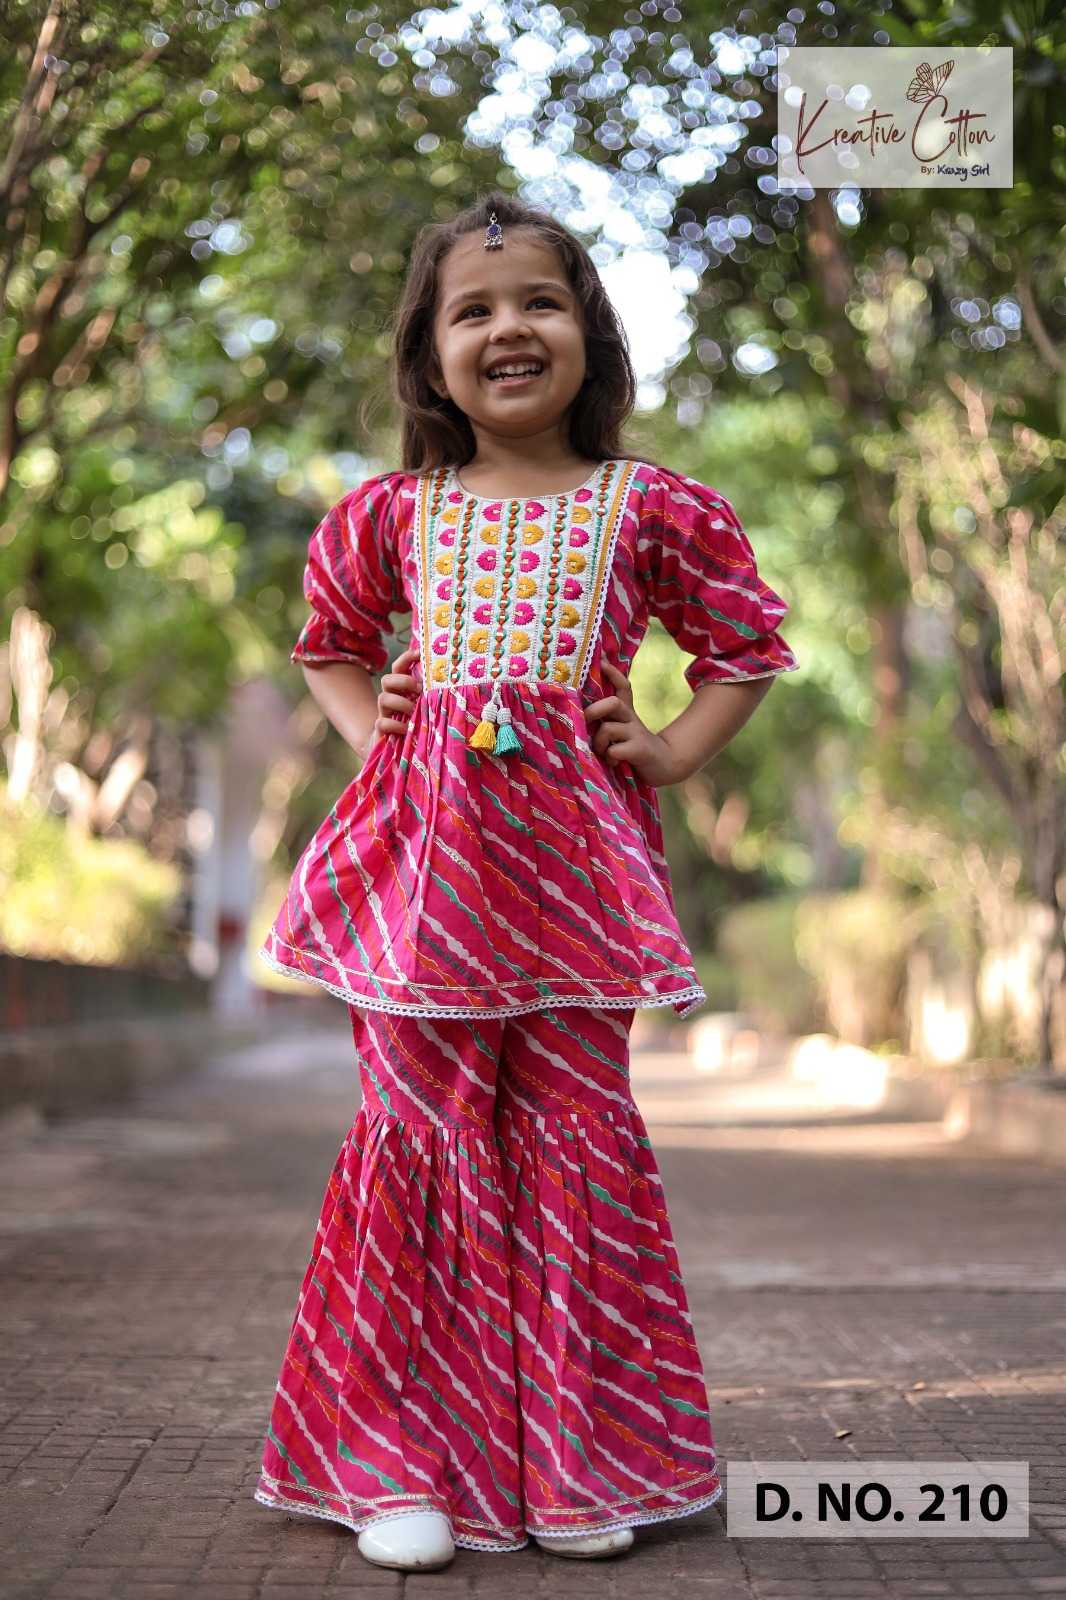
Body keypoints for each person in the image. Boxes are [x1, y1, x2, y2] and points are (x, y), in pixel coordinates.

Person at [253, 190, 799, 1572]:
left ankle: (578, 1463)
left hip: (578, 890)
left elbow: (740, 651)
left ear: (590, 334)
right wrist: (372, 728)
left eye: (540, 302)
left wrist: (670, 750)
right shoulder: (391, 514)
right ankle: (392, 1467)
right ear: (430, 356)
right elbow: (329, 643)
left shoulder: (654, 506)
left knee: (572, 1141)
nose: (509, 328)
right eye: (473, 310)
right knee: (419, 1139)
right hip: (422, 891)